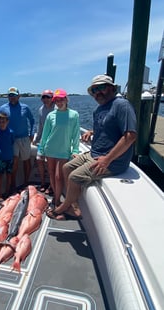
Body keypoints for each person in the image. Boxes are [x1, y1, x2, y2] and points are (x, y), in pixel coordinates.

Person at [47, 75, 137, 220]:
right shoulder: (100, 109)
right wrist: (91, 132)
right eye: (94, 90)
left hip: (113, 160)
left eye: (101, 87)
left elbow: (130, 136)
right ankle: (73, 207)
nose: (97, 92)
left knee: (75, 177)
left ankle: (63, 207)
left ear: (112, 88)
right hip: (94, 153)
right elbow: (108, 127)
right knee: (66, 167)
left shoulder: (122, 105)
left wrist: (107, 160)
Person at [39, 89, 80, 208]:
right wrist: (41, 149)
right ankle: (56, 199)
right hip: (50, 149)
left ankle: (57, 201)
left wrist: (75, 150)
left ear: (66, 99)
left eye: (61, 99)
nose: (59, 102)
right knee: (51, 175)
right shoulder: (50, 116)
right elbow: (45, 134)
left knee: (58, 177)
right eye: (56, 100)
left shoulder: (74, 115)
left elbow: (76, 134)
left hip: (64, 151)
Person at [0, 87, 35, 191]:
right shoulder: (2, 108)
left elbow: (32, 120)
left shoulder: (25, 107)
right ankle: (12, 185)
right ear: (7, 97)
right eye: (10, 95)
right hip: (11, 139)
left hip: (24, 138)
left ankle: (26, 183)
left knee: (26, 161)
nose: (12, 97)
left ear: (19, 96)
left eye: (14, 95)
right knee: (14, 162)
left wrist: (31, 133)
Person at [33, 89, 55, 193]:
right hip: (43, 140)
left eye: (48, 97)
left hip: (54, 141)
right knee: (39, 160)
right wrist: (37, 139)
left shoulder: (57, 108)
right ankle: (42, 182)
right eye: (43, 97)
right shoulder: (41, 109)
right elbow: (40, 125)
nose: (45, 99)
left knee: (51, 165)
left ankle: (51, 185)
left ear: (52, 98)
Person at [0, 110, 15, 202]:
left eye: (3, 122)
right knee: (0, 176)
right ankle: (0, 194)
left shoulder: (11, 132)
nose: (1, 124)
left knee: (9, 175)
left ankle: (7, 192)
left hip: (9, 157)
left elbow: (12, 142)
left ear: (7, 121)